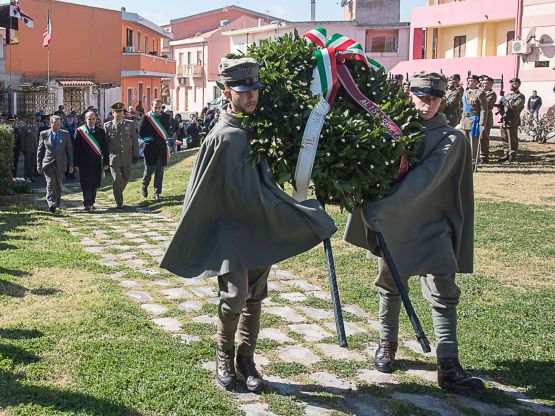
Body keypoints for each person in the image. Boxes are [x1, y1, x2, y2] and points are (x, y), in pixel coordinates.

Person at [160, 58, 336, 392]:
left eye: (254, 90)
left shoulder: (263, 131)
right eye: (243, 92)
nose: (251, 96)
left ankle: (246, 359)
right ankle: (223, 354)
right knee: (235, 294)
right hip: (229, 232)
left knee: (255, 295)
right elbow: (203, 191)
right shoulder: (221, 138)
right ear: (228, 93)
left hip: (259, 226)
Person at [344, 71, 484, 391]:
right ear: (411, 94)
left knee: (443, 290)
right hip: (395, 225)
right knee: (390, 283)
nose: (428, 104)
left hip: (432, 227)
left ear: (442, 101)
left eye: (435, 99)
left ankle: (448, 363)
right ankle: (387, 344)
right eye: (422, 97)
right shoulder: (389, 130)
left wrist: (381, 209)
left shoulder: (452, 139)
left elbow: (426, 179)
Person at [105, 102, 139, 209]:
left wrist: (136, 154)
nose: (118, 114)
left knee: (126, 177)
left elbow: (134, 140)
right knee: (117, 179)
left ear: (123, 112)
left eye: (120, 112)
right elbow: (105, 144)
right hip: (113, 158)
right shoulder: (108, 126)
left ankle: (117, 191)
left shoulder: (130, 124)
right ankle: (119, 201)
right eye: (116, 112)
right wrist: (105, 159)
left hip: (127, 156)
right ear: (113, 113)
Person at [37, 115, 74, 213]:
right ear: (51, 123)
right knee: (50, 182)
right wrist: (38, 164)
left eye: (59, 124)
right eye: (55, 124)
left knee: (58, 184)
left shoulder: (65, 134)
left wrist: (71, 165)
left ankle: (57, 202)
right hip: (48, 163)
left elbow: (69, 150)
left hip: (60, 163)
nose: (58, 126)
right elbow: (40, 151)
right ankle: (51, 203)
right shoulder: (44, 134)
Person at [74, 111, 109, 211]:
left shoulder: (101, 131)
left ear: (96, 119)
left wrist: (106, 162)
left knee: (95, 182)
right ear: (85, 119)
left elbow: (105, 148)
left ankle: (92, 201)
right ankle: (87, 203)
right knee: (86, 183)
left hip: (97, 161)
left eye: (93, 118)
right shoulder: (80, 131)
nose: (91, 120)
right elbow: (76, 148)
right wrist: (76, 163)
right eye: (89, 118)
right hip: (84, 162)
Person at [139, 99, 171, 201]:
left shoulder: (166, 117)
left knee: (159, 171)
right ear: (151, 107)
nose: (157, 109)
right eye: (155, 107)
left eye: (159, 108)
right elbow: (141, 132)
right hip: (150, 147)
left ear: (161, 107)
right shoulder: (146, 117)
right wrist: (149, 138)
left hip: (161, 148)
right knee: (149, 169)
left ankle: (157, 192)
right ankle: (144, 185)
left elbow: (166, 131)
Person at [460, 74, 487, 164]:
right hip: (465, 119)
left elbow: (484, 109)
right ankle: (466, 160)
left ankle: (473, 160)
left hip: (474, 120)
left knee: (473, 143)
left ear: (476, 82)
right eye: (468, 80)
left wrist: (482, 123)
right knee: (465, 142)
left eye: (472, 81)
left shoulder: (480, 93)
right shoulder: (465, 92)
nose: (469, 82)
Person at [499, 78, 525, 162]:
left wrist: (504, 101)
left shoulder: (520, 96)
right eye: (511, 84)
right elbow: (503, 106)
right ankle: (506, 154)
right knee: (505, 138)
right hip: (505, 119)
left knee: (512, 139)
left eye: (514, 84)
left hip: (512, 120)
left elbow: (514, 106)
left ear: (518, 85)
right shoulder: (508, 95)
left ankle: (512, 156)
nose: (512, 85)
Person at [478, 76, 497, 164]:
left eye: (487, 83)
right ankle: (476, 155)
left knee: (483, 137)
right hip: (477, 116)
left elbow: (485, 105)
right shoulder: (479, 91)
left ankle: (484, 157)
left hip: (486, 118)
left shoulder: (492, 94)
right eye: (484, 83)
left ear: (491, 85)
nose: (485, 85)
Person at [21, 116, 39, 181]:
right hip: (28, 148)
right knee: (27, 163)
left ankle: (31, 176)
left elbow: (37, 138)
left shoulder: (35, 127)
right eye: (32, 119)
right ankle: (26, 176)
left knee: (33, 163)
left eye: (34, 119)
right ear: (29, 120)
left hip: (35, 148)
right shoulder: (25, 127)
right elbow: (22, 139)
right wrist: (23, 148)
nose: (33, 120)